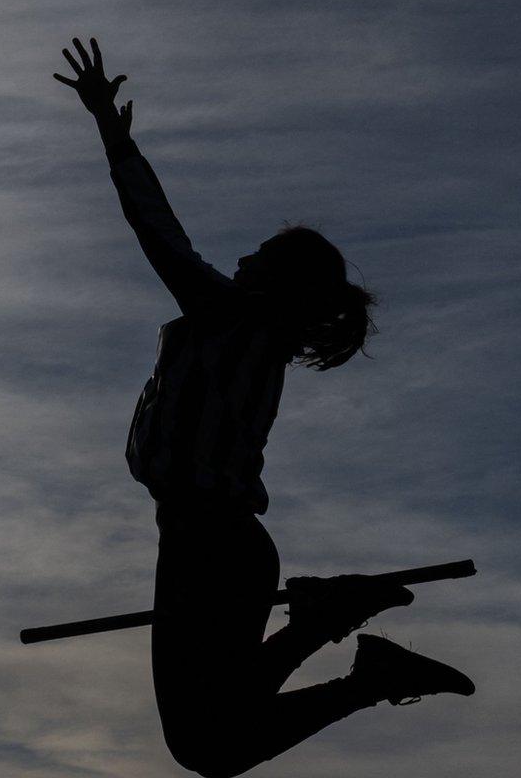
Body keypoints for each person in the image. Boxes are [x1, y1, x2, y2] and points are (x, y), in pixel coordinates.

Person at [54, 38, 473, 777]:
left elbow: (159, 231)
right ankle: (343, 642)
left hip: (210, 542)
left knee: (207, 741)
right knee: (213, 738)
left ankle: (339, 637)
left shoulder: (231, 315)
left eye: (256, 255)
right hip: (213, 542)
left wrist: (114, 137)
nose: (240, 260)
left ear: (275, 282)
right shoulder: (253, 334)